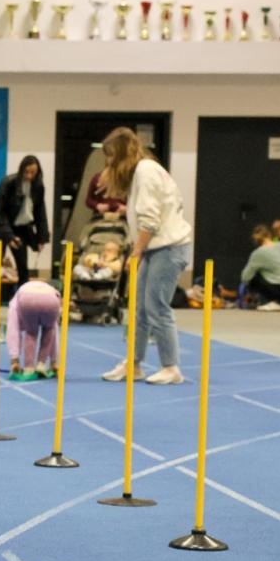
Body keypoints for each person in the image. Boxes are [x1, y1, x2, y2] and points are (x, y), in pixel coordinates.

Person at [97, 127, 193, 385]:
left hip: (168, 248)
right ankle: (134, 362)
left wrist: (134, 253)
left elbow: (149, 220)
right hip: (156, 247)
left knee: (156, 306)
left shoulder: (146, 171)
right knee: (138, 308)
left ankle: (171, 367)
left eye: (110, 156)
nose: (108, 162)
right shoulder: (141, 172)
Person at [0, 155, 49, 294]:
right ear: (21, 170)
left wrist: (42, 238)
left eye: (33, 173)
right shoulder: (8, 183)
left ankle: (23, 297)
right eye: (27, 172)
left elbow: (40, 212)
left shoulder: (38, 186)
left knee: (23, 266)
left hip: (22, 227)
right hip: (3, 227)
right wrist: (9, 236)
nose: (29, 176)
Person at [241, 224, 280, 311]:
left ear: (255, 239)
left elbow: (245, 277)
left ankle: (273, 302)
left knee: (253, 276)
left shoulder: (258, 253)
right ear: (269, 235)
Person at [7, 279, 61, 377]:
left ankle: (29, 367)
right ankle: (41, 364)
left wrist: (14, 360)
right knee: (49, 330)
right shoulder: (49, 289)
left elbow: (13, 330)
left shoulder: (14, 303)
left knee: (31, 333)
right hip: (52, 298)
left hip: (27, 298)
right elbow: (55, 332)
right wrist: (54, 361)